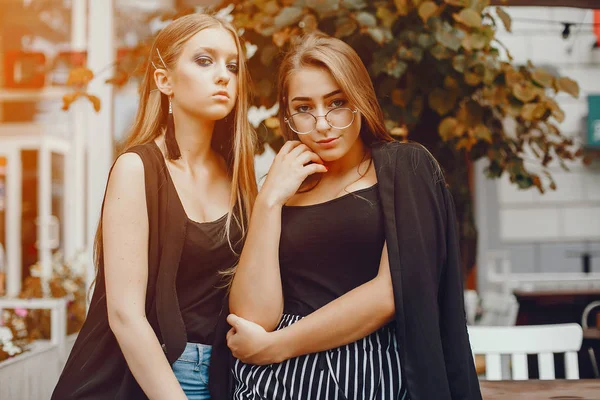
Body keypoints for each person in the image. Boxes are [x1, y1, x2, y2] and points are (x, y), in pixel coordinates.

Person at [227, 32, 482, 400]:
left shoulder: (405, 167)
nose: (323, 123)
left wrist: (275, 346)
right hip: (274, 384)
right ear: (288, 115)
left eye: (337, 102)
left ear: (360, 100)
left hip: (364, 374)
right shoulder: (281, 186)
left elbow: (388, 294)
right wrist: (269, 202)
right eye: (303, 108)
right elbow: (253, 317)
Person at [52, 13, 257, 400]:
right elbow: (125, 316)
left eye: (232, 65)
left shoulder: (238, 178)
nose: (223, 76)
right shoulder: (138, 168)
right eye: (204, 60)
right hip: (138, 379)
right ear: (164, 81)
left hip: (221, 377)